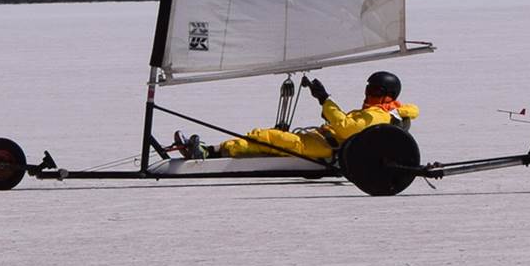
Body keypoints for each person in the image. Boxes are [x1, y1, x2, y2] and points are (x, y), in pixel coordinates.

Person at [173, 71, 415, 163]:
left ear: (388, 96)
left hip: (324, 149)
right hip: (321, 141)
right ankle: (210, 150)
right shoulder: (381, 113)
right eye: (367, 90)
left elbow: (347, 129)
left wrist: (324, 99)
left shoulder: (379, 116)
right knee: (265, 142)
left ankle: (208, 152)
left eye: (374, 91)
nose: (368, 94)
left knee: (267, 137)